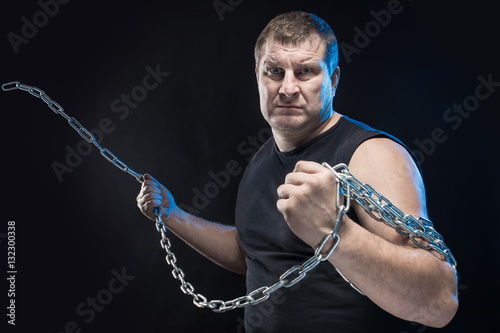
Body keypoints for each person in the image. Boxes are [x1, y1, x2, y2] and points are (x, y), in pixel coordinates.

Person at [136, 11, 458, 332]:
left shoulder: (371, 155)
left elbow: (439, 302)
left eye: (305, 72)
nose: (288, 88)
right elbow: (253, 250)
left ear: (332, 81)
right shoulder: (263, 158)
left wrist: (335, 232)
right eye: (275, 71)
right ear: (258, 77)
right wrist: (173, 214)